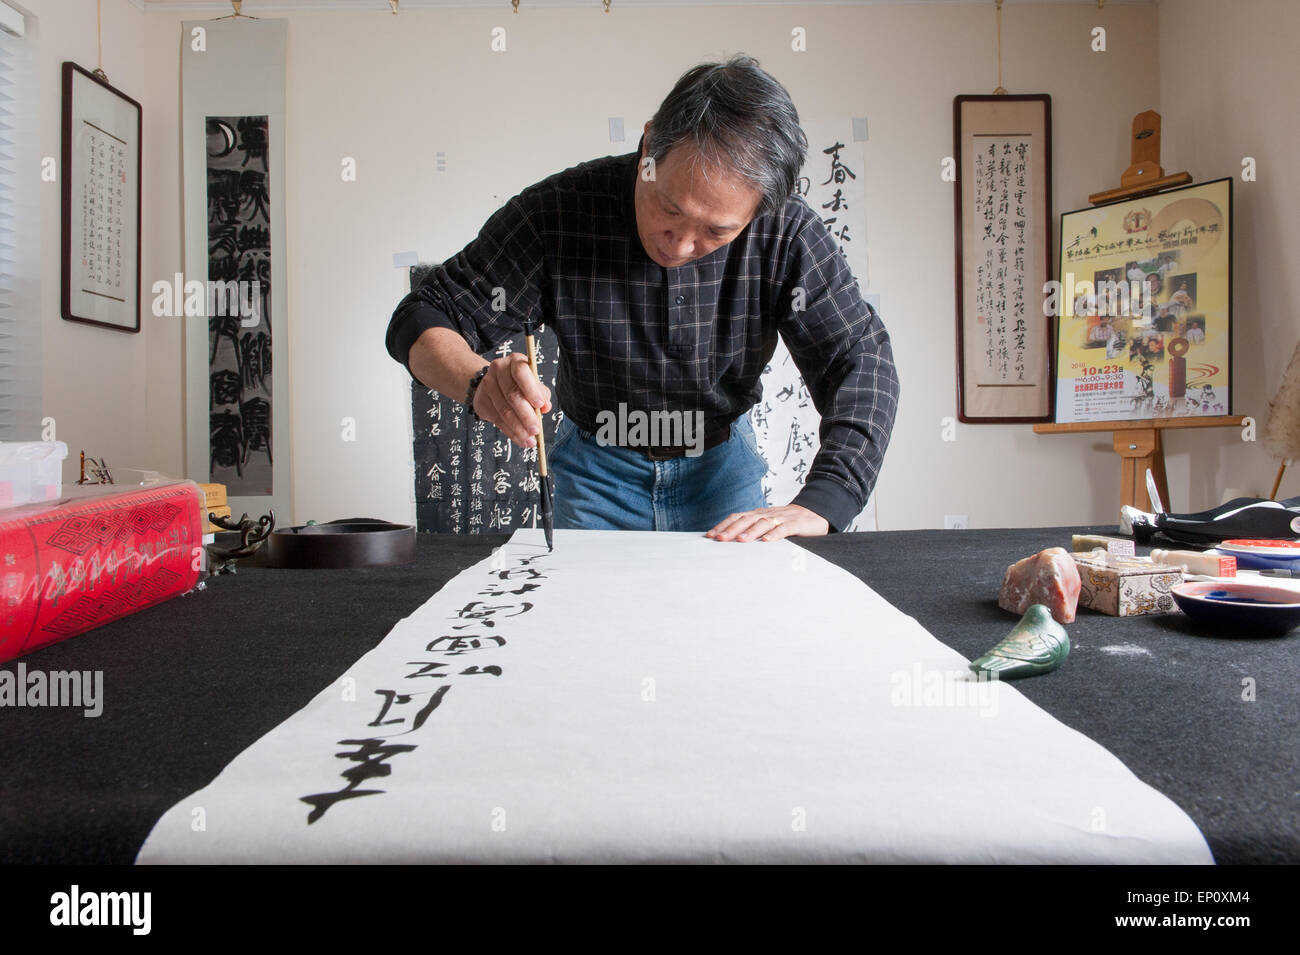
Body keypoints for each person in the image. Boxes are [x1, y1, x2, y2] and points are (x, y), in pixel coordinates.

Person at [385, 55, 899, 542]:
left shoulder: (785, 230)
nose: (677, 245)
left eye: (716, 233)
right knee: (593, 627)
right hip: (595, 474)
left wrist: (828, 497)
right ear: (649, 144)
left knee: (728, 628)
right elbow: (423, 315)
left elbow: (857, 356)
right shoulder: (560, 214)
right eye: (668, 207)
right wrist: (478, 382)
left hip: (722, 470)